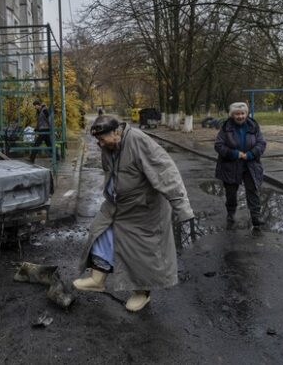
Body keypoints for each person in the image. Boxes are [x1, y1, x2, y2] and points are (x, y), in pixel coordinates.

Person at [72, 115, 195, 312]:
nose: (99, 143)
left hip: (143, 209)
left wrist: (182, 207)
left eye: (102, 138)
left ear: (116, 132)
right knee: (100, 233)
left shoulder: (138, 141)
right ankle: (97, 279)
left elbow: (165, 172)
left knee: (141, 254)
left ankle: (142, 293)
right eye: (98, 139)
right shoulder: (108, 146)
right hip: (118, 205)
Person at [214, 102, 267, 234]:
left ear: (246, 114)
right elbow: (218, 145)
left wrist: (250, 154)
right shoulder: (226, 128)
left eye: (242, 113)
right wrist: (234, 154)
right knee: (231, 192)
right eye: (237, 114)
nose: (240, 116)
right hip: (230, 165)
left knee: (253, 190)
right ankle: (231, 213)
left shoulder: (253, 126)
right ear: (232, 115)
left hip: (251, 164)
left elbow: (261, 143)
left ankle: (256, 217)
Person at [29, 99, 55, 163]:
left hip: (45, 130)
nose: (35, 107)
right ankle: (57, 157)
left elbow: (49, 120)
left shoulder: (45, 110)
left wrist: (52, 129)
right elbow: (40, 122)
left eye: (35, 106)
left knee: (37, 144)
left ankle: (32, 158)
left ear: (38, 105)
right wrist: (36, 129)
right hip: (43, 130)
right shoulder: (40, 111)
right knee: (49, 144)